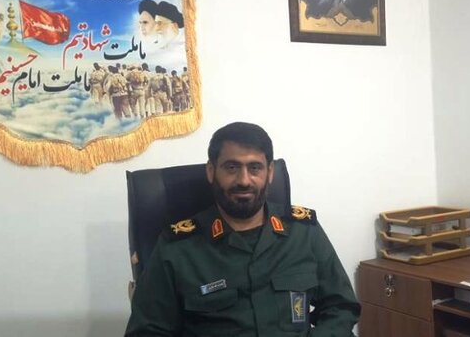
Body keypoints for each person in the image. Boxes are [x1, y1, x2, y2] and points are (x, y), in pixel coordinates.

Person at [125, 122, 361, 336]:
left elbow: (341, 306)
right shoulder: (177, 248)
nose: (244, 180)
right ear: (211, 171)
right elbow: (146, 331)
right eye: (231, 167)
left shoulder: (303, 232)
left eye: (255, 168)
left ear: (270, 173)